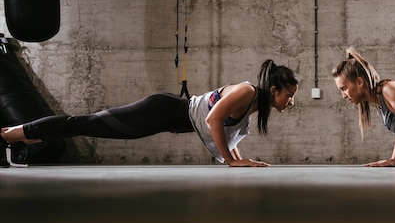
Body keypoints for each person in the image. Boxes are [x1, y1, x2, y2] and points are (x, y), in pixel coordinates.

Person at [1, 60, 298, 167]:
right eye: (289, 96)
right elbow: (212, 120)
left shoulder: (253, 102)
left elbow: (227, 132)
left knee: (86, 125)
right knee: (85, 123)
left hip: (163, 117)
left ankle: (22, 139)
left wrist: (238, 160)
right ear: (273, 90)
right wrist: (234, 163)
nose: (291, 102)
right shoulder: (247, 92)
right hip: (161, 110)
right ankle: (12, 133)